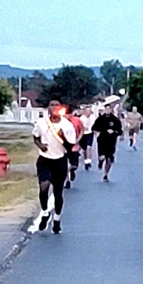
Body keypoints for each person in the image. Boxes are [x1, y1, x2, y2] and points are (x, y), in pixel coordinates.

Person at [32, 100, 78, 233]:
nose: (54, 108)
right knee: (44, 186)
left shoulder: (67, 126)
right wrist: (41, 146)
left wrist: (63, 138)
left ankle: (57, 219)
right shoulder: (41, 123)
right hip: (45, 160)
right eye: (51, 105)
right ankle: (45, 213)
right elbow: (35, 137)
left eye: (57, 105)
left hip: (60, 160)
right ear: (48, 108)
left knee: (58, 193)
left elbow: (71, 147)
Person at [92, 104, 122, 182]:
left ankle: (106, 174)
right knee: (102, 156)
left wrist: (114, 131)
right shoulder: (100, 119)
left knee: (109, 158)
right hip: (102, 140)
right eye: (106, 109)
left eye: (109, 109)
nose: (108, 110)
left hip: (111, 142)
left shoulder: (115, 120)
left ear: (111, 110)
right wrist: (96, 134)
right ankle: (100, 161)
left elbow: (120, 131)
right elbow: (94, 128)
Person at [64, 106, 84, 189]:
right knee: (64, 165)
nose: (66, 116)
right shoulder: (62, 122)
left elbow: (82, 130)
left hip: (74, 145)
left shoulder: (77, 120)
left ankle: (72, 170)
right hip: (64, 146)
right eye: (65, 115)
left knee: (74, 165)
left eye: (68, 114)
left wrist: (78, 139)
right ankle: (67, 181)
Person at [78, 106, 97, 171]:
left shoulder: (93, 117)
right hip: (83, 134)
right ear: (84, 112)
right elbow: (79, 126)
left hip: (90, 133)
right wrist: (83, 128)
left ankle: (89, 161)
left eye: (89, 111)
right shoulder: (81, 118)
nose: (88, 112)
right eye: (87, 111)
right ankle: (86, 161)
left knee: (89, 147)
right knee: (84, 149)